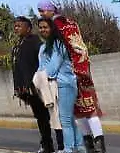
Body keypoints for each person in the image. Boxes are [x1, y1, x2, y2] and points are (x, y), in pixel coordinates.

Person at [38, 1, 106, 153]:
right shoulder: (70, 22)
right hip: (82, 68)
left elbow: (57, 60)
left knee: (74, 114)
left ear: (50, 10)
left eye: (42, 11)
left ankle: (82, 146)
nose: (41, 14)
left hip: (70, 74)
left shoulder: (57, 25)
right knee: (83, 110)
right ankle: (90, 145)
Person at [38, 18, 83, 153]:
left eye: (45, 27)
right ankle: (80, 147)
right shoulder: (43, 47)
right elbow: (41, 67)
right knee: (68, 117)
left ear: (52, 28)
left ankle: (68, 148)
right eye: (40, 27)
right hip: (53, 86)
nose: (43, 30)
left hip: (65, 84)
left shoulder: (58, 44)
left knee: (64, 120)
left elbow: (51, 69)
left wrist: (42, 74)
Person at [12, 17, 55, 153]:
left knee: (48, 116)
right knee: (41, 117)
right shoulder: (19, 44)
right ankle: (47, 144)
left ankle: (51, 145)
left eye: (20, 26)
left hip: (37, 87)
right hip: (27, 89)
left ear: (28, 28)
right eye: (15, 26)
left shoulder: (35, 42)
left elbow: (44, 62)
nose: (16, 28)